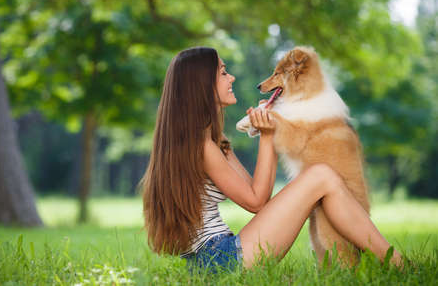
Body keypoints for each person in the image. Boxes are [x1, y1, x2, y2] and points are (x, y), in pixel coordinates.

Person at [141, 46, 403, 271]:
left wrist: (269, 132)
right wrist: (268, 137)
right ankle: (398, 264)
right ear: (201, 85)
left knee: (322, 179)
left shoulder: (209, 143)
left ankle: (373, 262)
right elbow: (257, 202)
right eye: (223, 72)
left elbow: (256, 194)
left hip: (215, 258)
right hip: (222, 260)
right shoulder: (202, 146)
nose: (231, 77)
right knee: (322, 175)